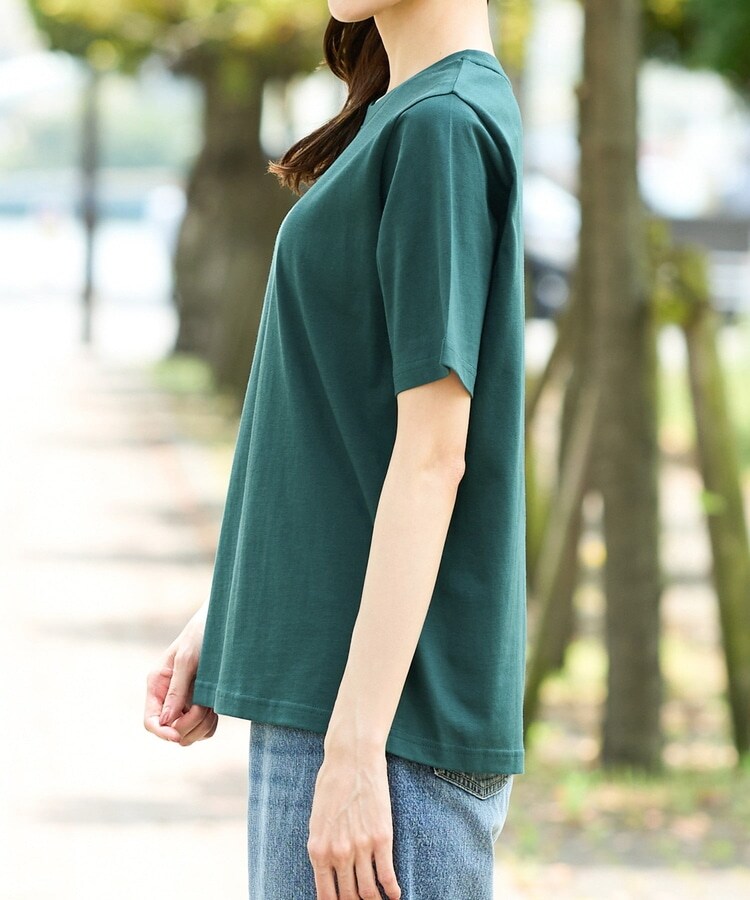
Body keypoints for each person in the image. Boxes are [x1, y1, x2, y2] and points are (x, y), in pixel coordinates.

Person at [144, 1, 527, 897]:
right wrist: (232, 612)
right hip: (348, 705)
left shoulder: (440, 126)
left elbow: (432, 458)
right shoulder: (409, 111)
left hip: (381, 731)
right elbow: (339, 422)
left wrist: (355, 752)